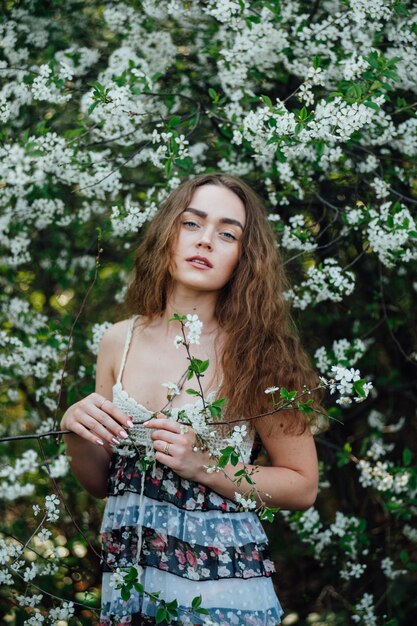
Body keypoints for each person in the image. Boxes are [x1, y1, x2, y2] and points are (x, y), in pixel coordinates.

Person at [61, 173, 322, 626]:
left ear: (244, 257)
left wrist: (204, 465)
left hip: (221, 587)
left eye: (227, 233)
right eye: (192, 223)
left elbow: (303, 485)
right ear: (168, 232)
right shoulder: (117, 341)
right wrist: (74, 428)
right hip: (131, 583)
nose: (205, 241)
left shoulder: (260, 356)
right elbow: (101, 483)